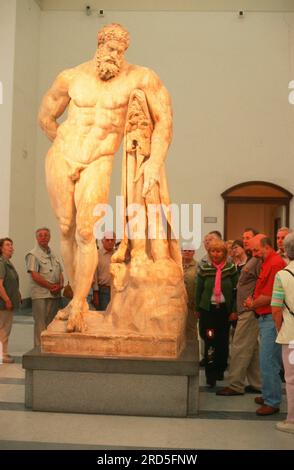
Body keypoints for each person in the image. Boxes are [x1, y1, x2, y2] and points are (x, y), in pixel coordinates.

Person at [38, 23, 174, 333]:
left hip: (99, 159)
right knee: (65, 227)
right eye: (111, 48)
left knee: (87, 231)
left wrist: (154, 160)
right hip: (63, 153)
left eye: (121, 51)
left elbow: (165, 121)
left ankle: (80, 303)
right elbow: (45, 116)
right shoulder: (70, 77)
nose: (115, 55)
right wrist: (65, 145)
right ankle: (77, 300)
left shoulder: (139, 78)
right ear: (99, 46)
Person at [244, 236, 286, 416]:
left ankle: (272, 401)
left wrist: (252, 304)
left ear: (266, 247)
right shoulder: (268, 261)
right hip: (264, 316)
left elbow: (271, 296)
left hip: (270, 317)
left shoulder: (275, 264)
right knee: (268, 360)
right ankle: (269, 393)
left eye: (256, 250)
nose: (254, 254)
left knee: (268, 361)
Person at [217, 237, 261, 396]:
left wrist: (253, 300)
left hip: (249, 309)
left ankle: (235, 385)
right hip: (245, 309)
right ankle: (258, 383)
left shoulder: (258, 261)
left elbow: (262, 283)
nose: (245, 241)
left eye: (248, 239)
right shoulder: (253, 259)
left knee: (239, 346)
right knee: (253, 348)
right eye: (245, 239)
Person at [196, 240, 238, 387]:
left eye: (219, 251)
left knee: (222, 342)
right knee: (210, 341)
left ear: (224, 253)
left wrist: (234, 310)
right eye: (213, 251)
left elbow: (235, 292)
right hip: (208, 312)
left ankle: (220, 369)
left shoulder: (231, 269)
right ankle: (210, 373)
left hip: (224, 312)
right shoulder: (204, 269)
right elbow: (199, 290)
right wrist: (197, 309)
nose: (215, 254)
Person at [271, 232, 294, 434]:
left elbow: (276, 308)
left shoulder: (282, 275)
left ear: (286, 251)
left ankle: (292, 420)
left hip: (291, 336)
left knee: (292, 379)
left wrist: (280, 328)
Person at [25, 228, 63, 347]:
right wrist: (51, 286)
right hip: (41, 295)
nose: (43, 237)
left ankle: (49, 348)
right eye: (40, 235)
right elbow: (35, 275)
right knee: (40, 325)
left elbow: (60, 273)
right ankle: (38, 350)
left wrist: (60, 286)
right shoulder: (32, 255)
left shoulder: (54, 255)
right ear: (36, 238)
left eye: (46, 235)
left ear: (49, 237)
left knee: (52, 324)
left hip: (54, 295)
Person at [0, 238, 20, 363]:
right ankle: (3, 354)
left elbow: (11, 282)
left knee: (4, 329)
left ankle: (3, 353)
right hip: (3, 304)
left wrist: (18, 295)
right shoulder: (1, 263)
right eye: (8, 245)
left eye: (12, 245)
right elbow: (0, 285)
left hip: (7, 303)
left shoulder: (7, 262)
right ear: (1, 248)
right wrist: (7, 300)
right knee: (3, 329)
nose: (11, 247)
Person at [93, 232, 116, 311]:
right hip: (103, 292)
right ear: (103, 241)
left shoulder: (117, 255)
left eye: (112, 240)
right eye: (107, 240)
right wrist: (95, 294)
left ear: (115, 241)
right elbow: (94, 275)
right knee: (104, 316)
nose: (110, 242)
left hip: (116, 291)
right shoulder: (97, 255)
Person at [181, 242, 198, 339]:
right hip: (177, 305)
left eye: (190, 250)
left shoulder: (198, 267)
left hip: (191, 306)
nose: (187, 252)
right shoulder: (176, 266)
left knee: (191, 331)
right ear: (181, 252)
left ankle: (192, 353)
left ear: (194, 252)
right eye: (185, 250)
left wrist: (196, 306)